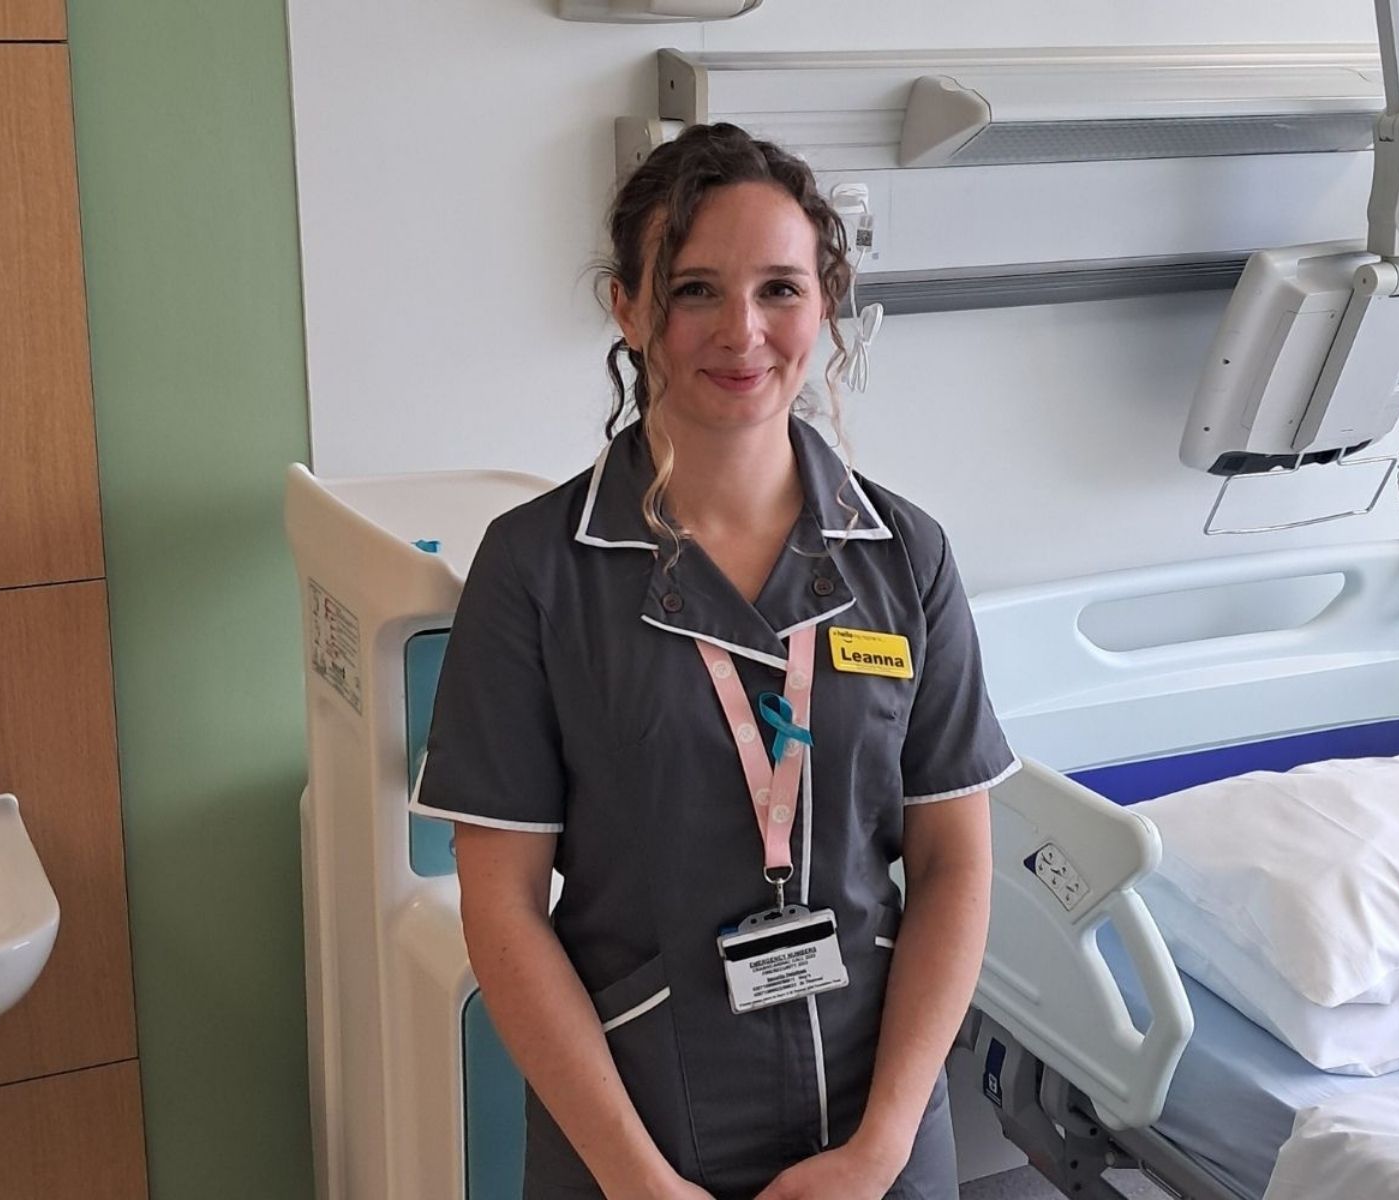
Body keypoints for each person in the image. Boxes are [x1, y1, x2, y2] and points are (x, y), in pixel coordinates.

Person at [414, 122, 1018, 1199]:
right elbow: (500, 904)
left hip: (873, 1115)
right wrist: (636, 1179)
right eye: (695, 289)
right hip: (638, 1122)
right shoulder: (538, 571)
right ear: (630, 309)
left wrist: (879, 1154)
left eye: (780, 289)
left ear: (823, 304)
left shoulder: (906, 558)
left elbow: (954, 866)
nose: (743, 331)